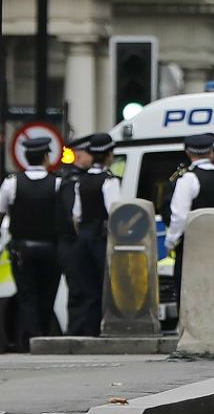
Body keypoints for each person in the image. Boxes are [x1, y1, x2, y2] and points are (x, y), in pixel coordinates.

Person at [0, 137, 62, 351]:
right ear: (46, 157)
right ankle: (43, 336)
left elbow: (2, 211)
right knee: (48, 295)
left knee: (27, 296)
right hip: (51, 249)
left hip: (22, 250)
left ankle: (30, 339)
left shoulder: (12, 182)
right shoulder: (57, 183)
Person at [165, 134, 214, 310]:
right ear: (211, 151)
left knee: (190, 292)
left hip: (193, 246)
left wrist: (171, 240)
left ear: (188, 153)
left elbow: (180, 215)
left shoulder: (188, 179)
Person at [72, 133, 121, 336]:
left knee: (89, 288)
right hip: (101, 239)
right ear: (109, 155)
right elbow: (115, 212)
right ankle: (105, 328)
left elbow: (76, 215)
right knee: (106, 287)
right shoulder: (109, 181)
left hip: (83, 238)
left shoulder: (81, 181)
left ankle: (88, 330)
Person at [55, 135, 93, 335]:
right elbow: (73, 215)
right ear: (79, 154)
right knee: (78, 290)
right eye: (90, 153)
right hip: (72, 243)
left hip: (77, 243)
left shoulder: (81, 177)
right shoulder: (71, 180)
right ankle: (77, 333)